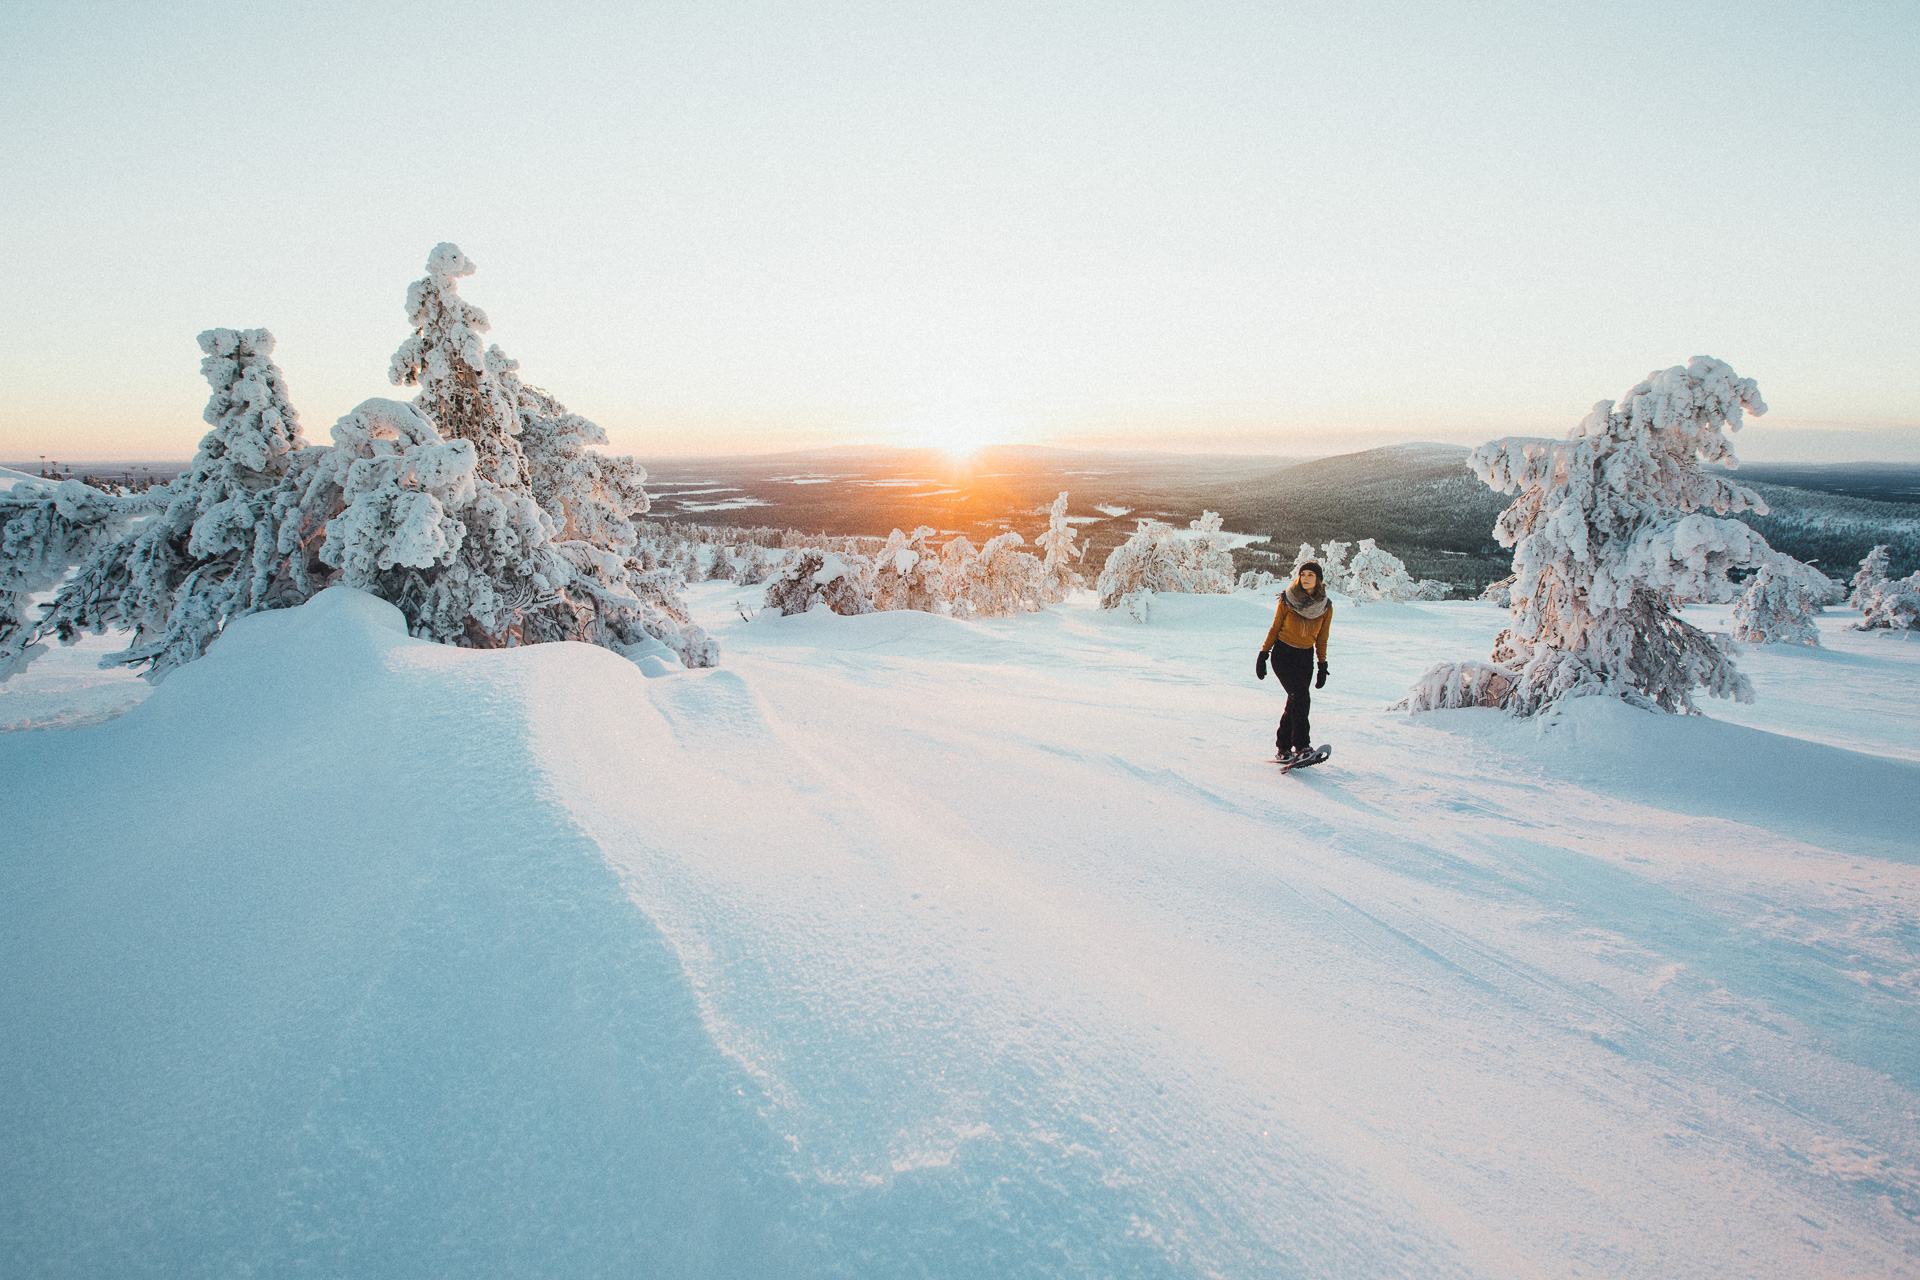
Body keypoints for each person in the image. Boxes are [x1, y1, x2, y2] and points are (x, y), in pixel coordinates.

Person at [1255, 561, 1331, 763]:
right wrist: (1263, 654)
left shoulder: (1325, 607)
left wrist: (1322, 665)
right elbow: (1275, 628)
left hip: (1305, 658)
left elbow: (1322, 638)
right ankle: (1302, 746)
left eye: (1310, 575)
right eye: (1302, 574)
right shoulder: (1288, 599)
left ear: (1318, 579)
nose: (1305, 578)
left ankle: (1283, 748)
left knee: (1295, 700)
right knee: (1301, 697)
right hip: (1283, 654)